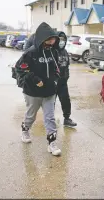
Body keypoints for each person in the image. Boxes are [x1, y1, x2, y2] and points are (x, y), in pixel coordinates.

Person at [15, 22, 61, 156]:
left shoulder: (54, 52)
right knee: (31, 116)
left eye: (54, 39)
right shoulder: (31, 53)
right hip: (33, 92)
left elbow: (57, 68)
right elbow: (20, 68)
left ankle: (52, 144)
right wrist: (35, 79)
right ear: (42, 38)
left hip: (49, 92)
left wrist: (55, 79)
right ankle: (25, 130)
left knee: (50, 118)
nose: (52, 41)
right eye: (50, 39)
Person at [54, 31, 77, 127]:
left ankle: (67, 119)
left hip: (63, 82)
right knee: (51, 103)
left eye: (63, 40)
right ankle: (50, 119)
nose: (61, 42)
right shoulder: (52, 51)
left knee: (66, 101)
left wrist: (66, 77)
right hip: (53, 83)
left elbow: (67, 66)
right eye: (59, 39)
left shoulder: (65, 52)